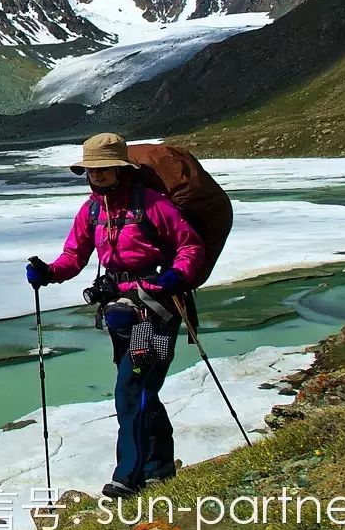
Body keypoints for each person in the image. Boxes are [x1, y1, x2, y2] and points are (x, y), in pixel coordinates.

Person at [24, 132, 208, 499]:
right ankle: (160, 466)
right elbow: (74, 256)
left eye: (104, 170)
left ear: (120, 169)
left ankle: (129, 477)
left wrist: (174, 276)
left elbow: (190, 246)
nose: (97, 177)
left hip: (155, 309)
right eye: (92, 171)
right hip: (120, 313)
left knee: (131, 389)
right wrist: (49, 272)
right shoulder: (92, 210)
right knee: (142, 390)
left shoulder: (152, 204)